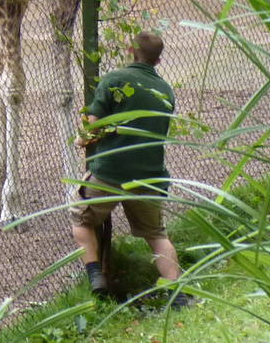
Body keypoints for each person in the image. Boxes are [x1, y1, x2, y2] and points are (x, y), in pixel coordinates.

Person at [69, 29, 192, 307]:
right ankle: (178, 294)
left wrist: (82, 139)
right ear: (158, 60)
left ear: (130, 51)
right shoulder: (165, 90)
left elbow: (93, 126)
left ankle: (95, 276)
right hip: (149, 176)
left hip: (110, 172)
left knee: (81, 220)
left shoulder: (114, 80)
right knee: (156, 235)